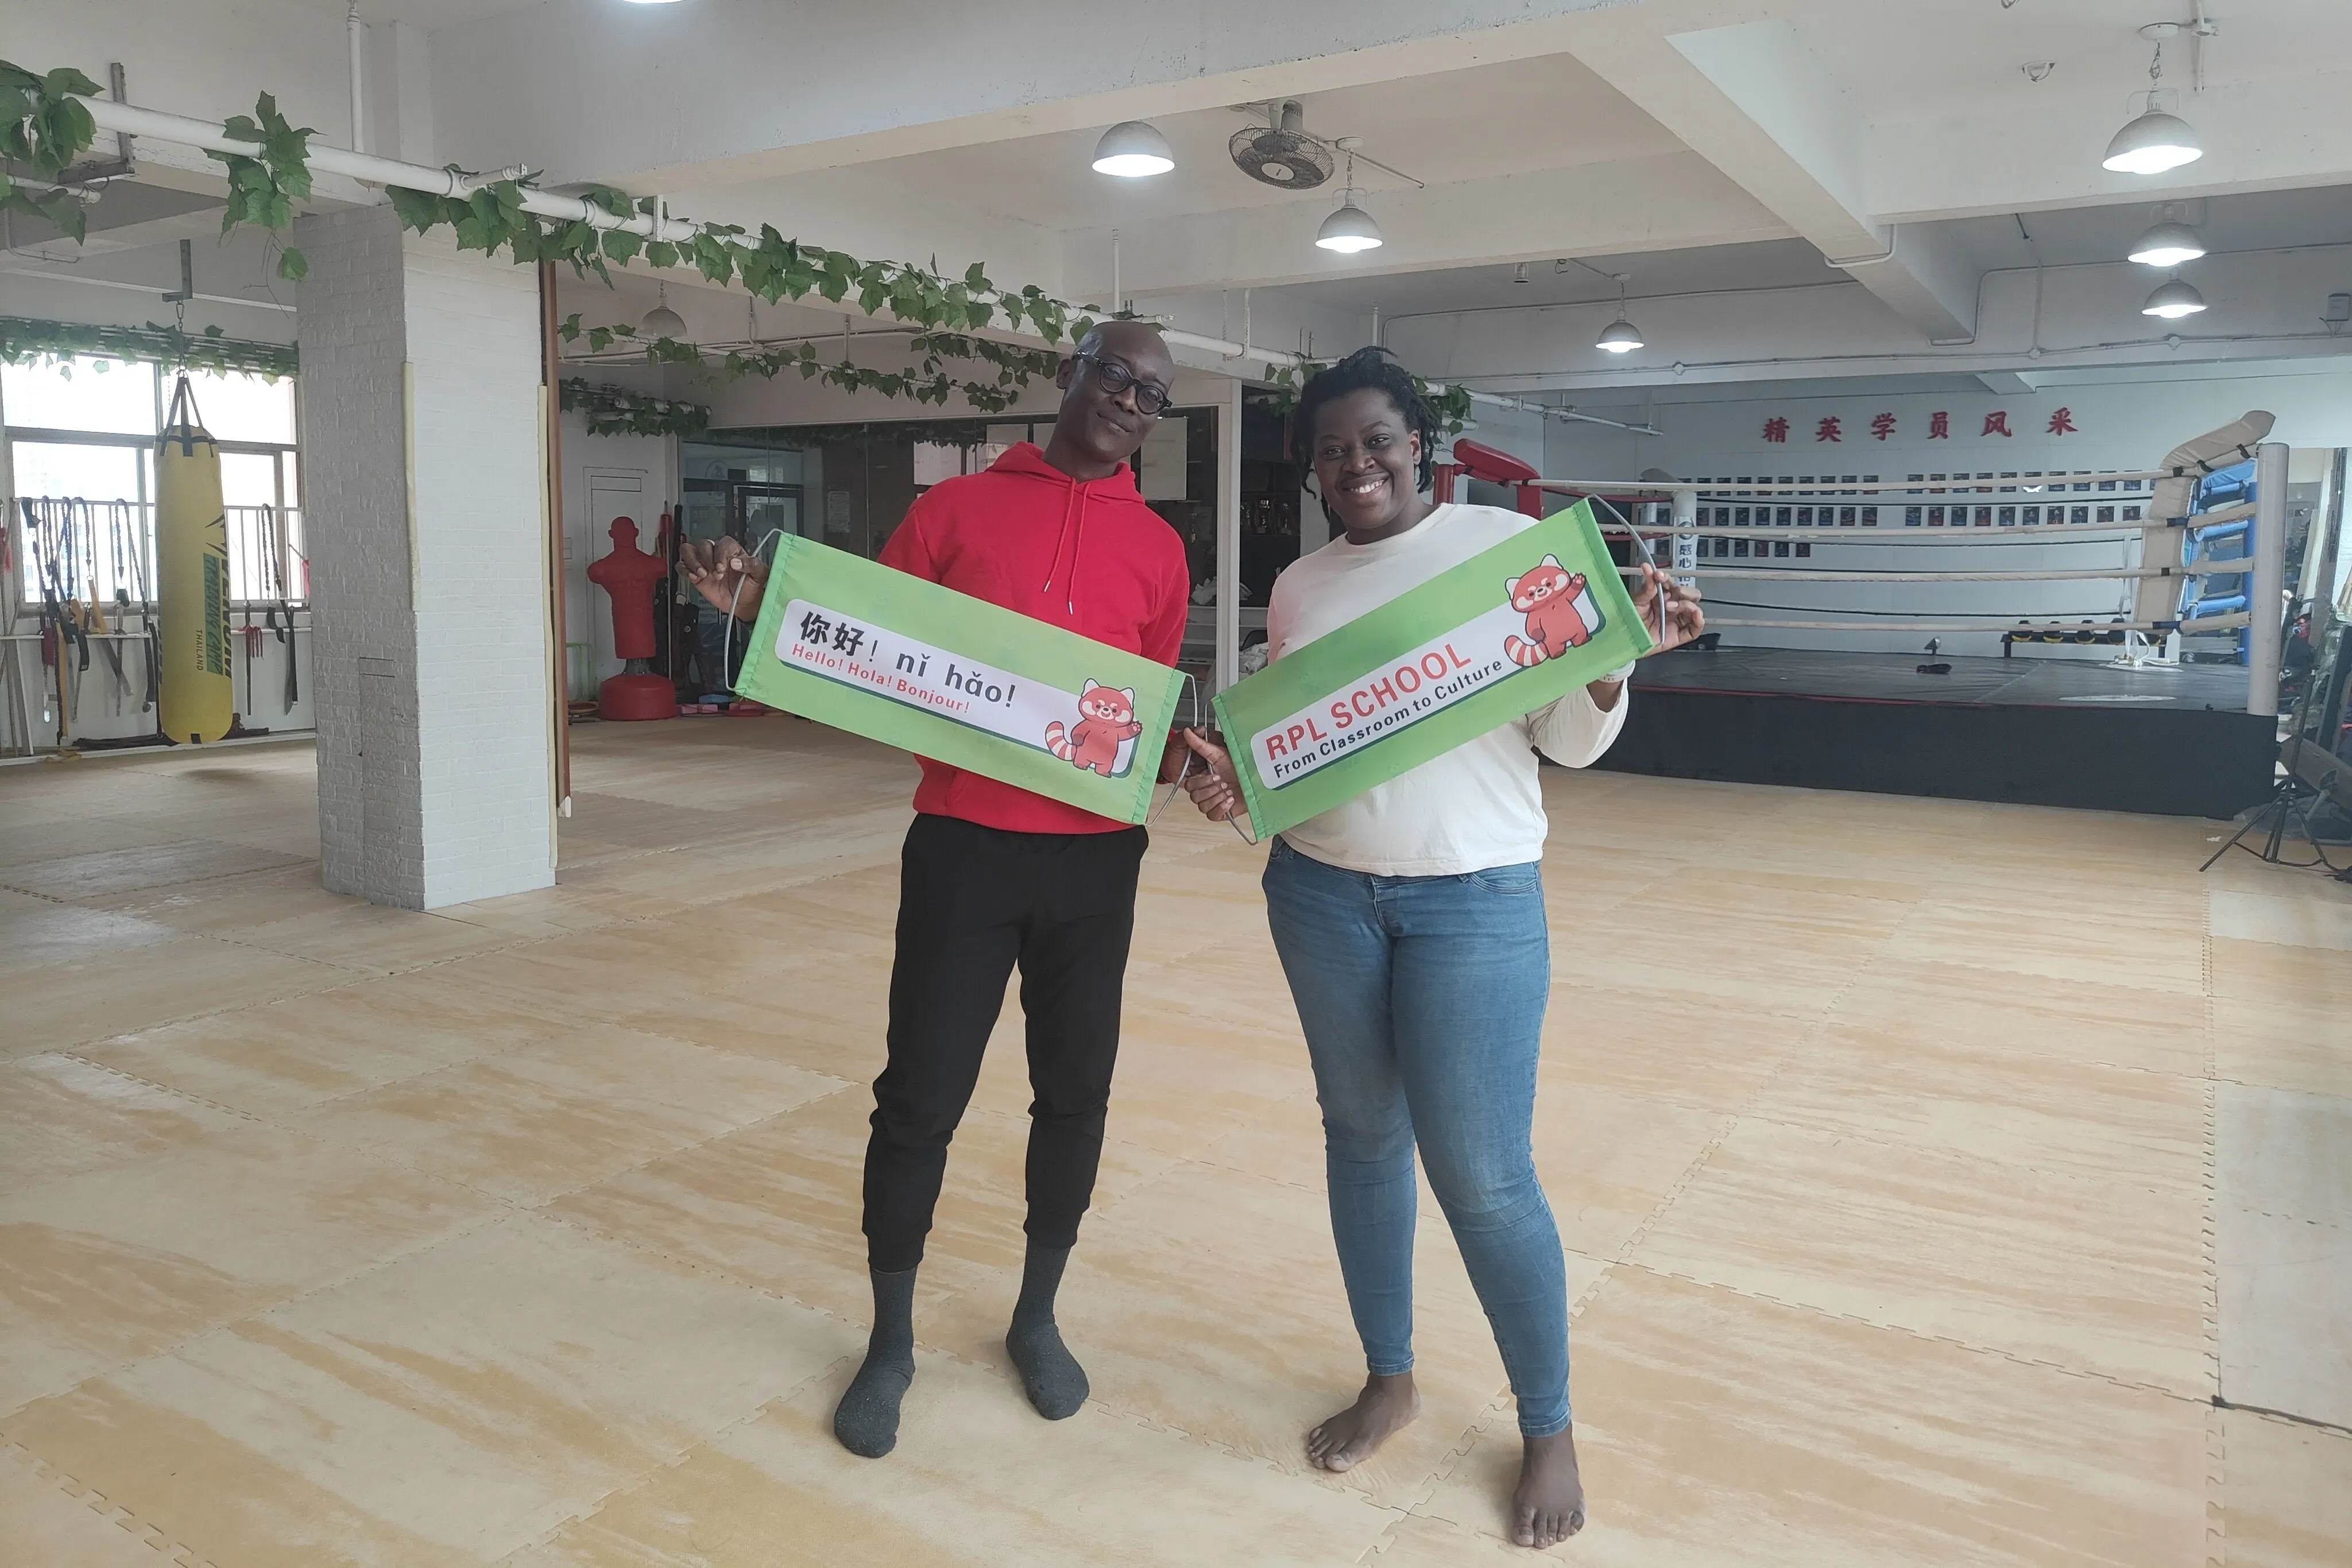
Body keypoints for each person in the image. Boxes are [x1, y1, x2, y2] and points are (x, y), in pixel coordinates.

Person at [1177, 347, 1703, 1550]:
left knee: (1482, 1177)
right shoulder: (1301, 585)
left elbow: (1565, 744)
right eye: (1329, 449)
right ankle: (1390, 1377)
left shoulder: (1497, 557)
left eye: (1375, 441)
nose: (1353, 464)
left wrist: (1609, 663)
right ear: (1310, 469)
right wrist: (1235, 792)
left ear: (1421, 445)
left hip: (1473, 906)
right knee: (1362, 1141)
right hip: (1318, 895)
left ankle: (1549, 1424)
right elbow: (1295, 752)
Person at [680, 322, 1192, 1459]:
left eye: (1150, 393)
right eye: (1112, 375)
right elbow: (861, 648)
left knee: (1073, 1095)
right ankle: (892, 1337)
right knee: (918, 1097)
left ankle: (1034, 1317)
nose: (1126, 400)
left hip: (1096, 860)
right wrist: (760, 611)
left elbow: (1142, 708)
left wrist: (1174, 757)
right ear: (1068, 376)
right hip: (963, 845)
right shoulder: (954, 514)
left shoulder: (1158, 548)